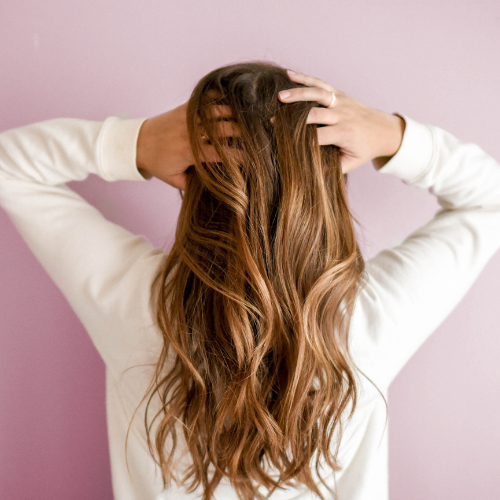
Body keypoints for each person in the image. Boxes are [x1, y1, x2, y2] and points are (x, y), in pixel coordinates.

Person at [1, 61, 499, 500]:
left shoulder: (137, 302)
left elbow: (9, 166)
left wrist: (138, 142)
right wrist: (393, 137)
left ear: (191, 177)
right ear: (329, 183)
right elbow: (490, 201)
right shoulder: (370, 320)